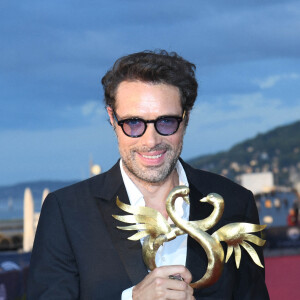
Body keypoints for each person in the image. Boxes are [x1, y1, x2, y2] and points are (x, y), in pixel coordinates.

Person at [27, 50, 269, 299]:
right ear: (112, 118)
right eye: (133, 123)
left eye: (165, 122)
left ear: (185, 118)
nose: (150, 141)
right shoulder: (66, 212)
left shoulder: (236, 204)